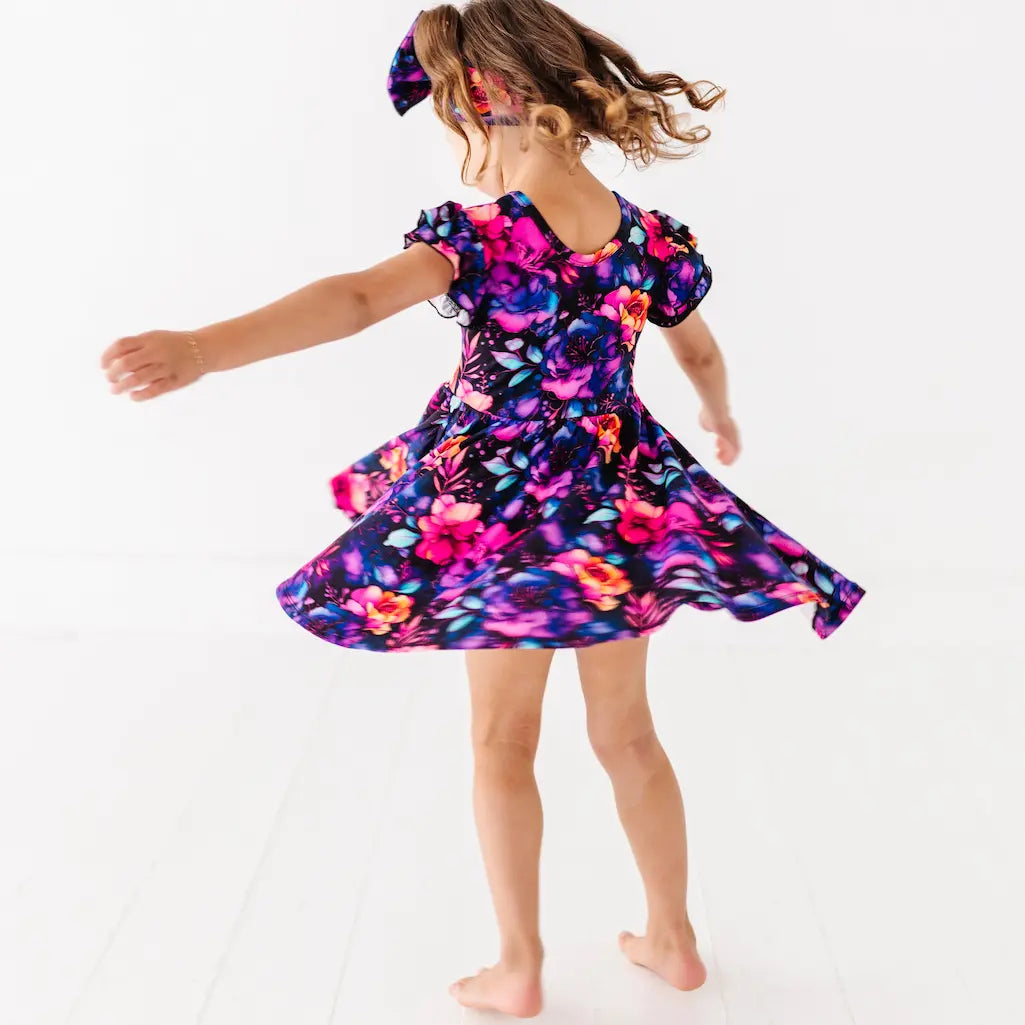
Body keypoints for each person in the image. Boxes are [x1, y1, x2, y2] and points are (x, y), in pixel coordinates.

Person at [100, 0, 866, 1017]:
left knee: (502, 739)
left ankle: (517, 966)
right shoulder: (647, 240)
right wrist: (717, 416)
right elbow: (695, 348)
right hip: (618, 500)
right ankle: (674, 937)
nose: (454, 145)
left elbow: (357, 299)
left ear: (485, 100)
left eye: (451, 120)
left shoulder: (487, 235)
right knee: (626, 733)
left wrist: (203, 347)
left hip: (501, 510)